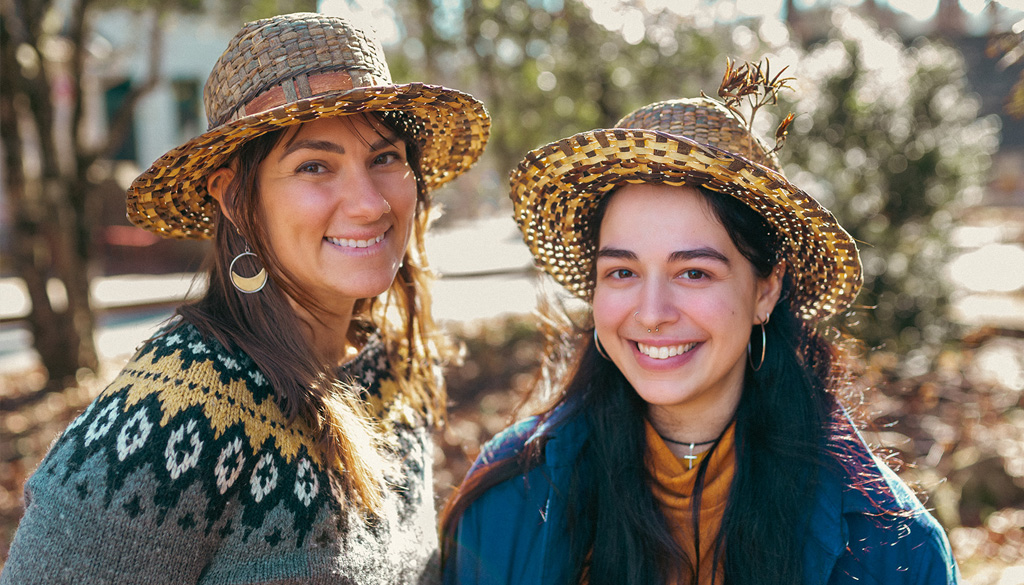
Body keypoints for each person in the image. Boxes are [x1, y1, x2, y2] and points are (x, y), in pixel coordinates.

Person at [2, 12, 489, 585]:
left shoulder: (387, 365)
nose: (370, 204)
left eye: (384, 158)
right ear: (234, 198)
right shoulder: (172, 417)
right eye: (314, 166)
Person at [441, 61, 958, 585]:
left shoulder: (890, 546)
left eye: (693, 272)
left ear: (766, 289)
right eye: (622, 271)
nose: (651, 312)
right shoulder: (508, 496)